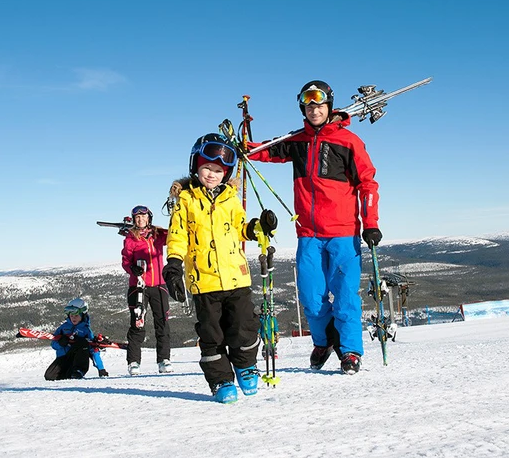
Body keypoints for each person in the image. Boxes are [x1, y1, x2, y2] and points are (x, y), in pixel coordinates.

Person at [249, 80, 381, 375]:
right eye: (308, 105)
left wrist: (370, 223)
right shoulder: (297, 141)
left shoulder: (349, 141)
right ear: (303, 109)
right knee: (310, 298)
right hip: (308, 234)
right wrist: (241, 148)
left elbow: (368, 184)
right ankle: (324, 341)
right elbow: (265, 151)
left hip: (343, 233)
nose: (314, 109)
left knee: (345, 297)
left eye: (319, 104)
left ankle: (350, 351)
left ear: (329, 105)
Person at [162, 133, 277, 403]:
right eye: (207, 168)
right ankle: (221, 379)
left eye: (218, 170)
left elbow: (241, 229)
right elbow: (177, 236)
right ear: (195, 166)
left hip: (236, 278)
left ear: (226, 173)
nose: (212, 174)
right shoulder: (186, 200)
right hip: (205, 282)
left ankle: (246, 366)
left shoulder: (230, 198)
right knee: (211, 334)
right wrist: (174, 264)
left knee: (243, 327)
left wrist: (260, 226)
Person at [121, 204, 173, 376]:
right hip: (139, 286)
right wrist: (132, 269)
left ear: (149, 218)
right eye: (137, 217)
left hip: (159, 285)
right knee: (138, 323)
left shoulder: (157, 234)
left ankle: (164, 359)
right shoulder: (131, 238)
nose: (140, 219)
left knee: (162, 323)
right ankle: (133, 361)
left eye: (143, 216)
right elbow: (126, 260)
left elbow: (174, 235)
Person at [44, 298, 109, 380]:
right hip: (64, 359)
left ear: (82, 315)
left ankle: (78, 371)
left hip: (78, 360)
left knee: (82, 342)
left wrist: (101, 368)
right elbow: (54, 344)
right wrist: (60, 343)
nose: (73, 318)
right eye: (71, 316)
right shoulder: (63, 328)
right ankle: (67, 374)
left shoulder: (86, 330)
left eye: (76, 316)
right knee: (49, 376)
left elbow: (93, 350)